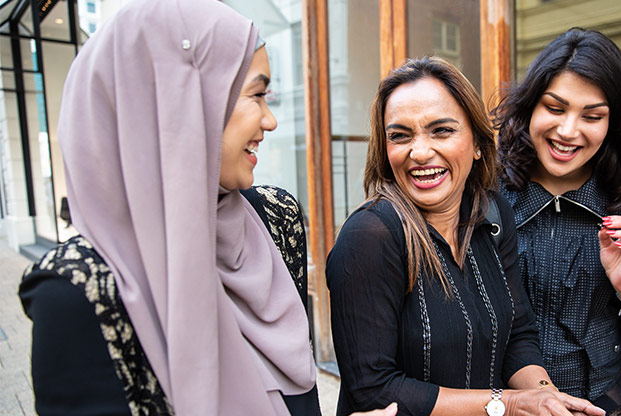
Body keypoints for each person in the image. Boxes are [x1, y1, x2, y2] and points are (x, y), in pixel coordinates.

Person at [16, 1, 396, 415]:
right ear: (178, 102)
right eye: (256, 94)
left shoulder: (274, 220)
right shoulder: (77, 293)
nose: (270, 121)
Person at [327, 56, 605, 416]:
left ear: (476, 143)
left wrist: (546, 397)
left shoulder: (492, 214)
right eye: (400, 135)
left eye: (441, 130)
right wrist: (510, 403)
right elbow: (374, 390)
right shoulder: (370, 236)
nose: (420, 152)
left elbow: (518, 332)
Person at [491, 28, 621, 411]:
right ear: (530, 107)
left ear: (613, 122)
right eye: (554, 108)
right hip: (495, 399)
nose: (568, 131)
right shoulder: (489, 188)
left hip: (596, 400)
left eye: (592, 116)